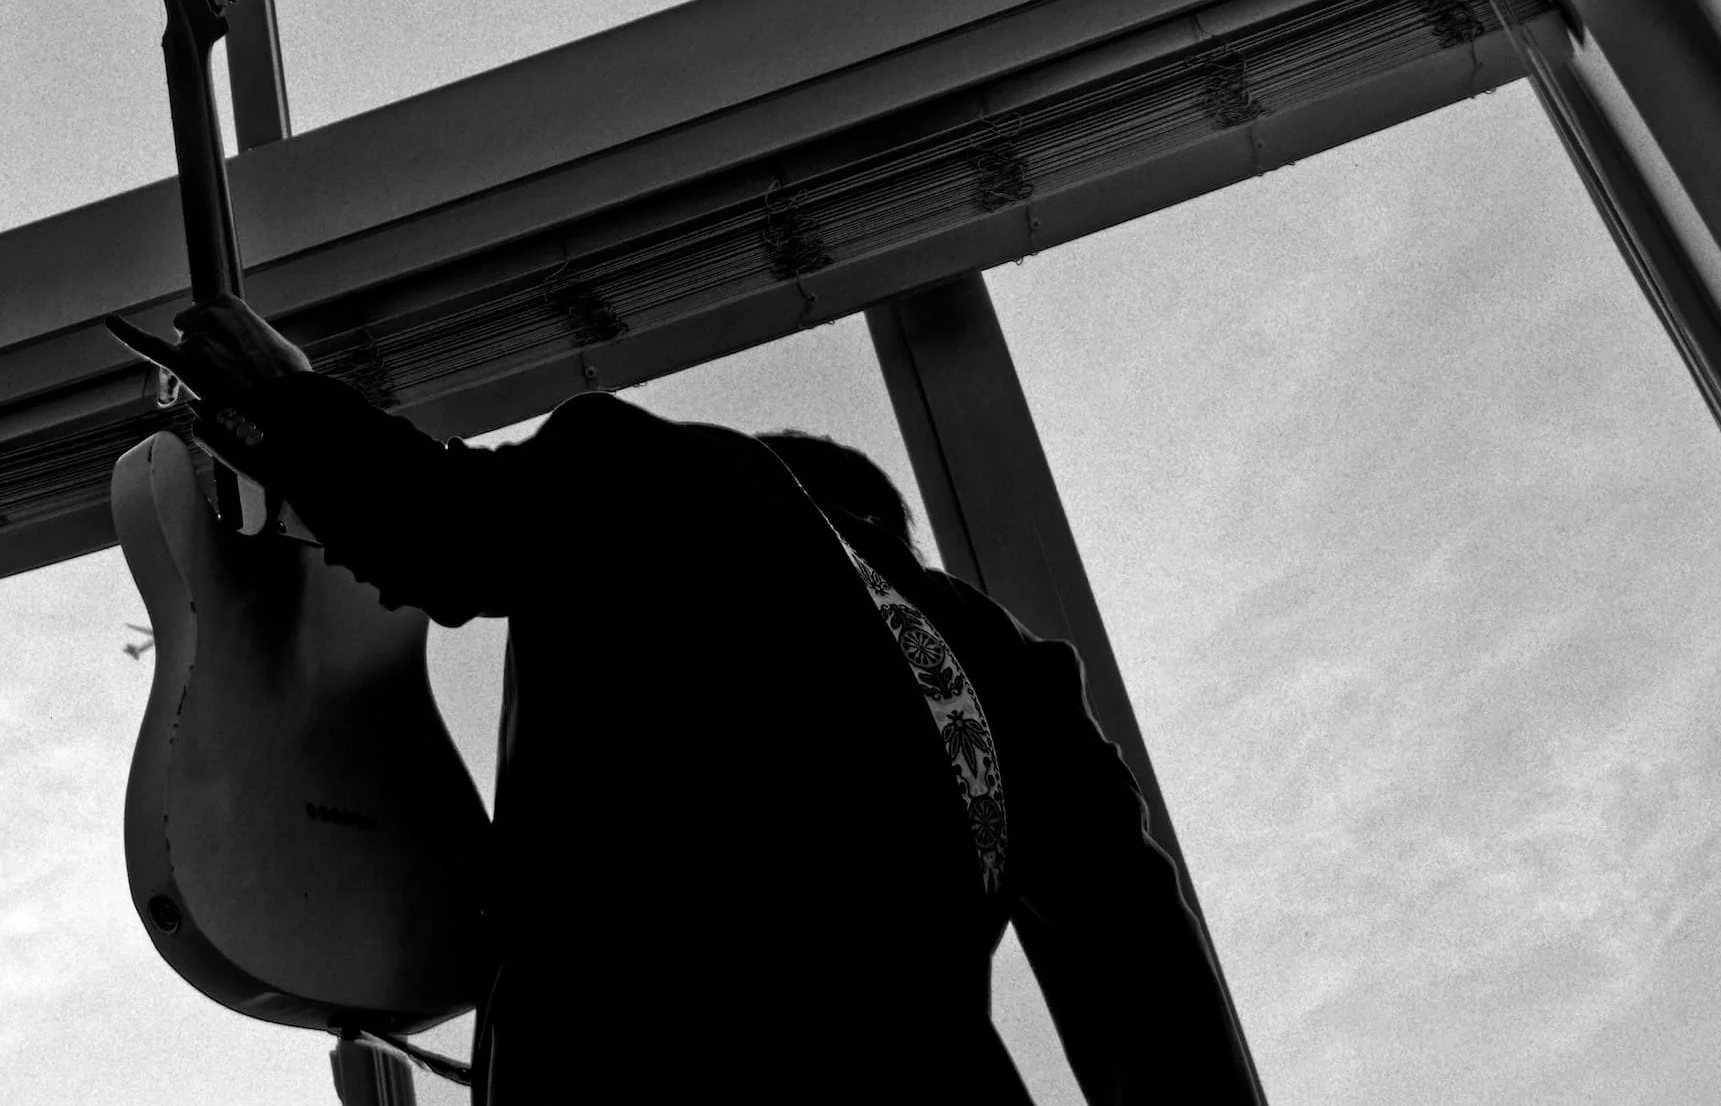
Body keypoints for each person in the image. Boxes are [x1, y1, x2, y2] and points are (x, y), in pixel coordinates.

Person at [107, 294, 1264, 1104]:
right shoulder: (1012, 672)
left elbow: (447, 530)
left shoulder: (680, 473)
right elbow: (1152, 997)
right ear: (889, 544)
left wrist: (288, 401)